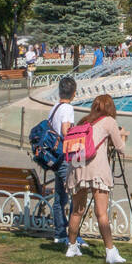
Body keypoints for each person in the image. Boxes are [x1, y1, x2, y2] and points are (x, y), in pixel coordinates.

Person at [64, 94, 129, 264]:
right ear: (110, 108)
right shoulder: (109, 122)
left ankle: (71, 247)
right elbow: (121, 148)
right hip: (97, 170)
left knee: (76, 211)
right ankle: (110, 251)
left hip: (78, 169)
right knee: (101, 213)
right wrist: (123, 135)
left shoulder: (84, 121)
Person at [49, 76, 82, 248]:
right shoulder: (68, 108)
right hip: (64, 157)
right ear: (74, 93)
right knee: (75, 195)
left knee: (59, 197)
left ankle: (60, 233)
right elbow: (65, 131)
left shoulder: (55, 107)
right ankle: (73, 237)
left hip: (53, 157)